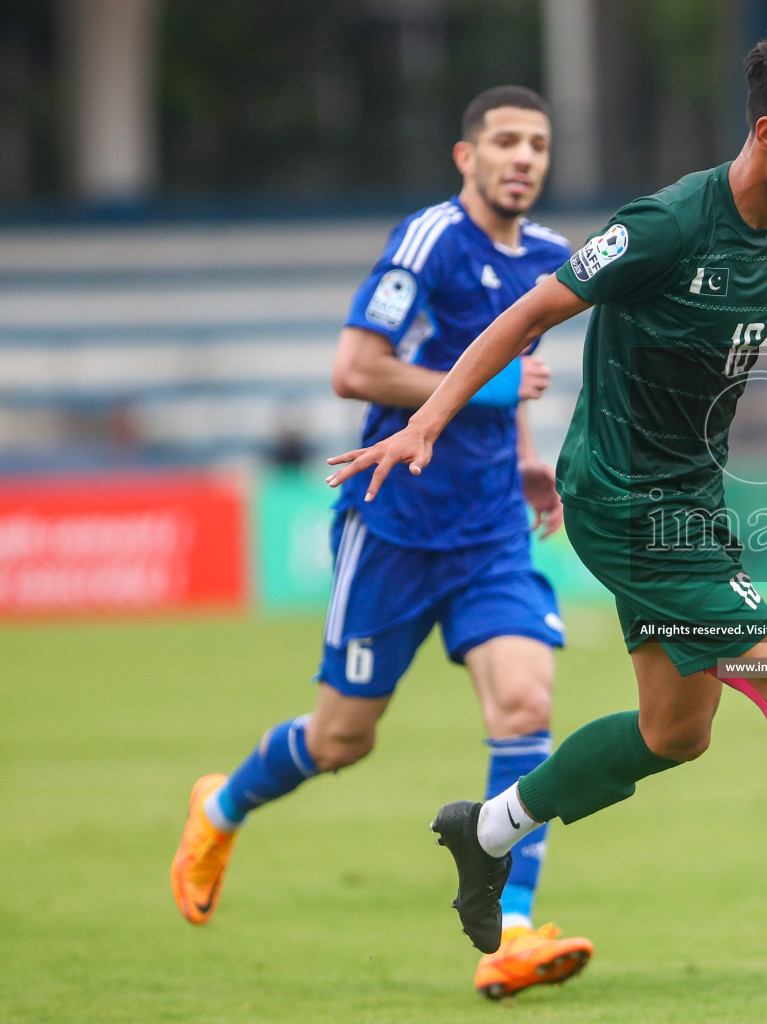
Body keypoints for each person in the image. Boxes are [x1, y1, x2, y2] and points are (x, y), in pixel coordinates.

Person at [326, 20, 767, 993]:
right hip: (622, 499)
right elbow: (531, 311)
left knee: (676, 732)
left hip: (692, 502)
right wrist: (428, 419)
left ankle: (487, 828)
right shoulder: (669, 224)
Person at [170, 85, 593, 1000]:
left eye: (538, 146)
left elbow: (513, 385)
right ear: (465, 156)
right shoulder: (431, 240)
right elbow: (353, 369)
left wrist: (523, 457)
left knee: (524, 703)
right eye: (507, 142)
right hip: (393, 524)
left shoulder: (555, 258)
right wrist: (484, 396)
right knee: (340, 740)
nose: (523, 158)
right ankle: (221, 806)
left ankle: (509, 935)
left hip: (488, 531)